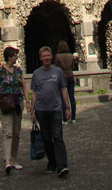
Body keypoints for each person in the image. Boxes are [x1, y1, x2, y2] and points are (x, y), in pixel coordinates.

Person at [31, 46, 70, 177]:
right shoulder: (36, 74)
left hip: (55, 110)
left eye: (48, 55)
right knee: (46, 138)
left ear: (52, 56)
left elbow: (64, 90)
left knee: (58, 137)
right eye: (44, 56)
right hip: (41, 110)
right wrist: (32, 111)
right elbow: (34, 93)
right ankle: (52, 162)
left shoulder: (57, 72)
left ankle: (62, 165)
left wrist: (68, 107)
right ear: (41, 58)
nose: (46, 58)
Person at [0, 46, 30, 174]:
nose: (16, 58)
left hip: (18, 103)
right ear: (9, 57)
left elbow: (24, 86)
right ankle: (7, 161)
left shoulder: (19, 71)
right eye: (15, 56)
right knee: (7, 132)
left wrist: (28, 101)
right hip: (5, 104)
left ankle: (14, 159)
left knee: (16, 133)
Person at [54, 41, 77, 123]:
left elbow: (56, 67)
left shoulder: (58, 56)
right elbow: (73, 66)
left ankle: (65, 119)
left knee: (63, 98)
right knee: (72, 97)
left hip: (62, 78)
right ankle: (73, 118)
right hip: (70, 76)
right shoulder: (71, 56)